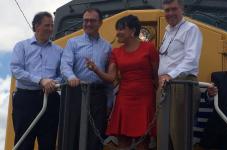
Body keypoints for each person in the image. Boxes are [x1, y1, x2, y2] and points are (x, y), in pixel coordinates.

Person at [86, 15, 159, 150]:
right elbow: (111, 78)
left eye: (121, 29)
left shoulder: (149, 48)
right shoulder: (116, 52)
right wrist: (95, 69)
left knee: (142, 142)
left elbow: (156, 74)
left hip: (145, 99)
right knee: (122, 140)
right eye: (117, 29)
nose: (117, 33)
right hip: (124, 99)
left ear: (132, 31)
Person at [60, 8, 112, 150]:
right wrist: (71, 77)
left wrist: (109, 102)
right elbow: (65, 65)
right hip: (76, 94)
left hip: (98, 97)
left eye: (92, 21)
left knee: (95, 138)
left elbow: (109, 78)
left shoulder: (107, 47)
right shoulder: (73, 43)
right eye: (85, 20)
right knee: (72, 136)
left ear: (100, 23)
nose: (88, 24)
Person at [10, 11, 62, 150]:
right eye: (47, 25)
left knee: (48, 143)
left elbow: (63, 75)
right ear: (37, 26)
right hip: (25, 100)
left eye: (52, 25)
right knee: (24, 143)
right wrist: (40, 80)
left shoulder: (58, 51)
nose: (50, 29)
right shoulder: (22, 47)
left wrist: (53, 82)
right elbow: (16, 70)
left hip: (50, 100)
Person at [157, 0, 203, 149]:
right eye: (167, 10)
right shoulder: (167, 31)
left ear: (182, 9)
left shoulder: (191, 29)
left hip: (181, 84)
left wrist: (170, 75)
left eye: (173, 9)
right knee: (164, 134)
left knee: (179, 133)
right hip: (166, 85)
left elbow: (191, 59)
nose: (170, 13)